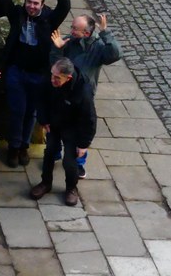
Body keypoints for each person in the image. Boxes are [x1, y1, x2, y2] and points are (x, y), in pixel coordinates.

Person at [3, 0, 70, 168]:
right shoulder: (18, 14)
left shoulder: (49, 18)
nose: (31, 6)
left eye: (36, 3)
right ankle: (14, 146)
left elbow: (64, 9)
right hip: (17, 71)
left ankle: (24, 145)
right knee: (17, 110)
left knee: (31, 112)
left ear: (42, 4)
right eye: (29, 2)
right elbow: (5, 3)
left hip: (38, 74)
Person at [50, 13, 121, 177]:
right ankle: (54, 152)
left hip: (83, 95)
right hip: (63, 91)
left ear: (86, 33)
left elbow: (115, 54)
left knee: (80, 128)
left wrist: (106, 33)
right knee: (56, 124)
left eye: (75, 28)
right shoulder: (68, 41)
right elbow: (54, 65)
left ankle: (79, 162)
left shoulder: (98, 47)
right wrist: (57, 48)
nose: (71, 31)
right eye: (72, 27)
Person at [30, 58, 96, 207]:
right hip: (54, 123)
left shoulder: (83, 90)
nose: (52, 79)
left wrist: (84, 144)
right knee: (49, 152)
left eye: (57, 78)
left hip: (72, 128)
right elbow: (40, 99)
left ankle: (71, 188)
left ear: (68, 78)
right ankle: (45, 183)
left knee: (69, 161)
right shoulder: (50, 79)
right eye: (52, 75)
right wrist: (43, 119)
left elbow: (89, 118)